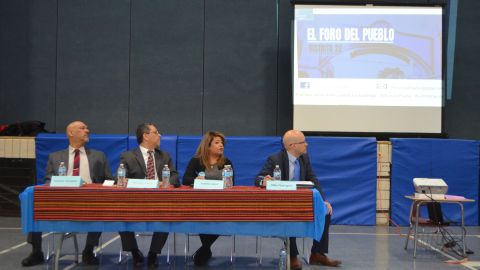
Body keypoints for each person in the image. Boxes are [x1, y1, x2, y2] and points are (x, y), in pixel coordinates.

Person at [21, 121, 113, 267]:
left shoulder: (98, 156)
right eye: (83, 128)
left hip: (90, 200)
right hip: (62, 200)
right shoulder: (55, 156)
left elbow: (109, 180)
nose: (87, 130)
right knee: (34, 204)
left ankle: (88, 251)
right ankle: (36, 251)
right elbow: (47, 180)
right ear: (71, 133)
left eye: (87, 128)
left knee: (99, 209)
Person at [256, 130, 342, 269]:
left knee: (325, 211)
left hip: (301, 201)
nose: (307, 144)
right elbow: (258, 178)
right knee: (290, 214)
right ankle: (292, 255)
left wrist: (322, 200)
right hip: (281, 203)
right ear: (292, 145)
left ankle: (317, 253)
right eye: (303, 142)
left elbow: (313, 180)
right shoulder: (275, 159)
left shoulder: (304, 159)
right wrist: (264, 181)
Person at [118, 123, 179, 267]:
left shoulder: (164, 156)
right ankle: (134, 251)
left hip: (160, 200)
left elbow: (175, 178)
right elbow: (120, 180)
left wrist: (162, 183)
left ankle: (153, 253)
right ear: (145, 136)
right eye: (156, 132)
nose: (160, 135)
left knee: (167, 215)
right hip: (135, 200)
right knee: (119, 214)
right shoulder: (128, 156)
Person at [183, 131, 234, 266]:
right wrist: (196, 180)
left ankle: (204, 249)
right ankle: (206, 250)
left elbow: (231, 183)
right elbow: (186, 179)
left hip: (221, 203)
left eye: (222, 143)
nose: (221, 145)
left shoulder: (227, 162)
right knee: (202, 214)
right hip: (200, 202)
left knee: (221, 216)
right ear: (208, 145)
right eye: (217, 142)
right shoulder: (196, 161)